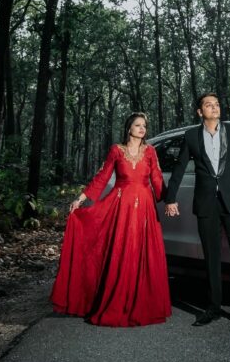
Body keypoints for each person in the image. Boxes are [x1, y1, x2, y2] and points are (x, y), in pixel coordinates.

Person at [50, 112, 171, 327]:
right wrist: (80, 199)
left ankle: (141, 302)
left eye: (144, 125)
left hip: (144, 207)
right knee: (121, 249)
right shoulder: (117, 150)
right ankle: (115, 301)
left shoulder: (150, 151)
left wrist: (170, 200)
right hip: (120, 206)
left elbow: (157, 179)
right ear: (129, 129)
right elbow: (103, 177)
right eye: (137, 125)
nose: (142, 129)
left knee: (141, 251)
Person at [165, 92, 230, 331]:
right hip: (206, 202)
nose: (214, 107)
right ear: (200, 112)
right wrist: (170, 198)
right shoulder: (191, 136)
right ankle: (213, 307)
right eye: (208, 105)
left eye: (217, 104)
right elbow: (179, 168)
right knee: (210, 257)